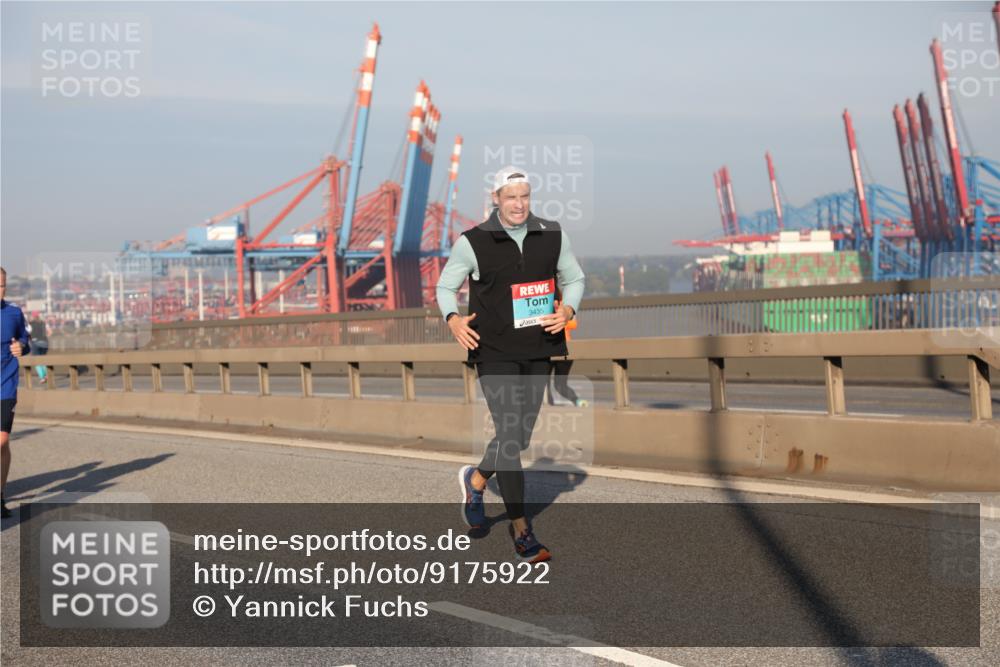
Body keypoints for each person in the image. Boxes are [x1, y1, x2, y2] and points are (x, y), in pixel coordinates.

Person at [436, 166, 585, 562]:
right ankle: (522, 531)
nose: (518, 204)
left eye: (524, 196)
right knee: (509, 432)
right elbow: (445, 287)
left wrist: (568, 308)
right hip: (493, 350)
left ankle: (477, 479)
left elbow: (575, 279)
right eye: (511, 197)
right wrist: (453, 320)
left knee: (517, 437)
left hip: (539, 347)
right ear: (496, 199)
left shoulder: (552, 234)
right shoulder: (472, 242)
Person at [1, 267, 31, 519]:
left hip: (5, 385)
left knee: (1, 441)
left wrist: (22, 346)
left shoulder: (14, 312)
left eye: (1, 285)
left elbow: (25, 339)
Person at [546, 317, 588, 408]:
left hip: (561, 351)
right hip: (562, 351)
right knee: (552, 384)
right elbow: (573, 323)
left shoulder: (561, 313)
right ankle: (550, 403)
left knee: (558, 384)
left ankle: (576, 401)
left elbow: (573, 324)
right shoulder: (564, 314)